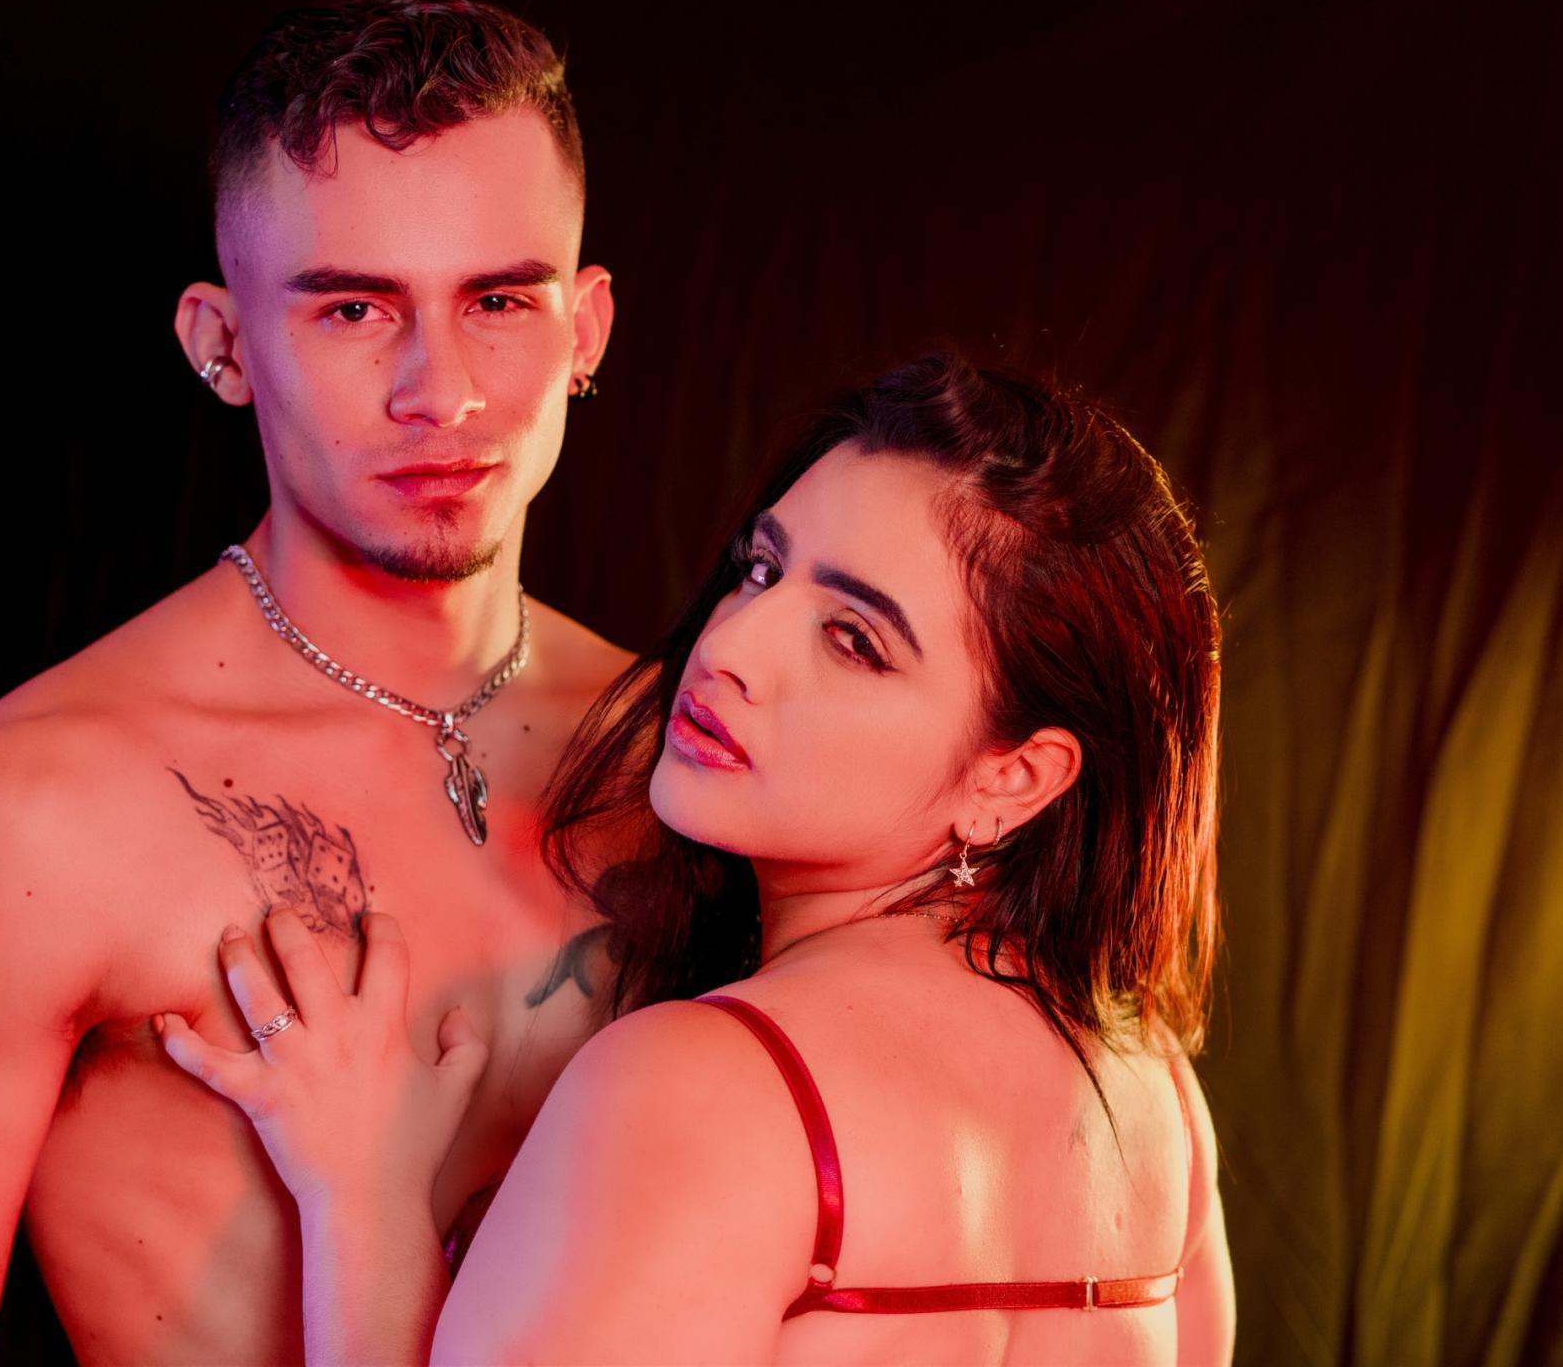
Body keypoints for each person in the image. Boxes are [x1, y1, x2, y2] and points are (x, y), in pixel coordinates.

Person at [0, 0, 625, 1363]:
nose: (442, 393)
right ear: (221, 345)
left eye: (497, 301)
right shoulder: (31, 815)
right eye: (353, 308)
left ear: (584, 330)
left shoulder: (681, 761)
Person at [160, 351, 1238, 1363]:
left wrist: (361, 1198)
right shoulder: (1157, 1097)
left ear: (1016, 776)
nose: (728, 648)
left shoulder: (705, 1085)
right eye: (762, 570)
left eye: (854, 641)